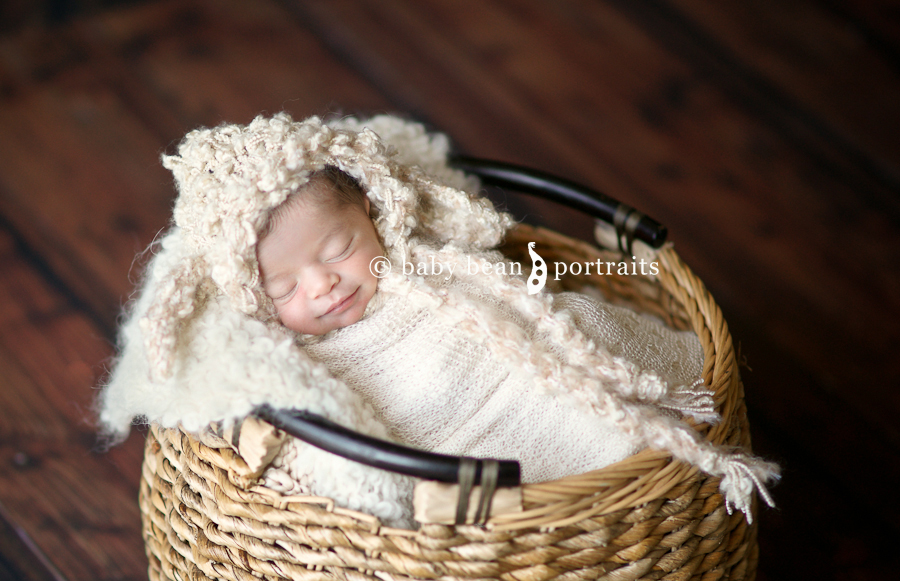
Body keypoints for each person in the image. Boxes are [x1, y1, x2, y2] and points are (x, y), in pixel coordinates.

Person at [99, 113, 776, 528]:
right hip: (464, 457)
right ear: (253, 297)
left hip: (524, 363)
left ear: (374, 214)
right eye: (284, 286)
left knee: (571, 320)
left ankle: (657, 410)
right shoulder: (299, 363)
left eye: (337, 249)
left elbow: (520, 298)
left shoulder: (421, 260)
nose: (323, 283)